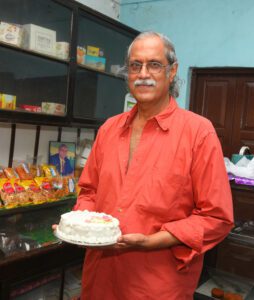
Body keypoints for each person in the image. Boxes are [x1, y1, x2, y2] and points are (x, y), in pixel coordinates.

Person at [61, 31, 234, 299]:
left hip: (157, 283)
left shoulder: (198, 132)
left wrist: (152, 242)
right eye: (135, 65)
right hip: (100, 278)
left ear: (172, 71)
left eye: (154, 64)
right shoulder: (109, 129)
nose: (143, 73)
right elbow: (89, 192)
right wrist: (78, 225)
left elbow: (216, 217)